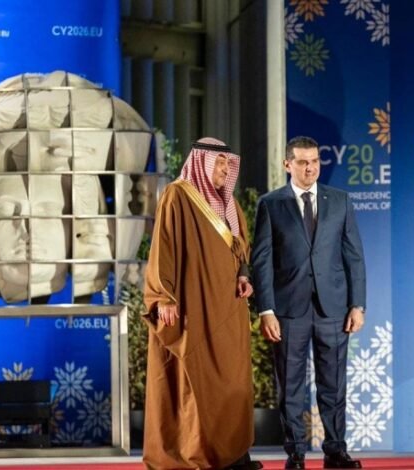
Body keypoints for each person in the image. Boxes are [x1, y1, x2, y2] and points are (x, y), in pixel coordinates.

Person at [143, 137, 262, 470]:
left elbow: (241, 248)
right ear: (201, 162)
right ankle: (197, 453)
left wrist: (243, 275)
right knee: (197, 381)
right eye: (219, 162)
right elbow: (163, 247)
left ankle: (234, 454)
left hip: (228, 308)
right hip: (193, 307)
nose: (225, 169)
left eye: (228, 163)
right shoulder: (178, 196)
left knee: (232, 379)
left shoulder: (229, 203)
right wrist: (163, 296)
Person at [251, 136, 366, 470]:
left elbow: (354, 257)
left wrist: (357, 305)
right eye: (302, 162)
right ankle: (296, 453)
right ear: (288, 164)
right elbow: (262, 261)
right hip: (288, 311)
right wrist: (266, 310)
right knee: (290, 387)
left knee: (334, 385)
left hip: (334, 309)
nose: (310, 168)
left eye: (315, 161)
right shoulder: (270, 204)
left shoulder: (340, 201)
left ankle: (335, 451)